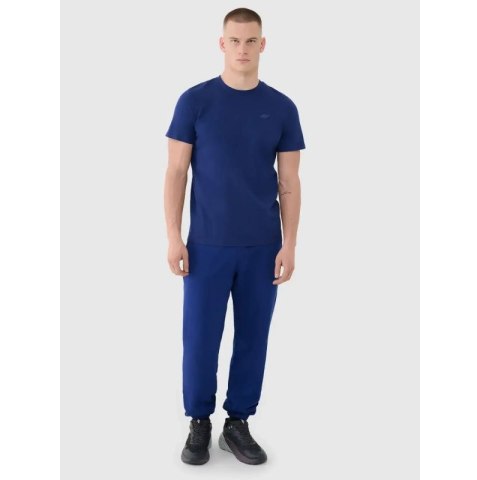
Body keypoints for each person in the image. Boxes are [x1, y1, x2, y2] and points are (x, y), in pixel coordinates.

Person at [164, 7, 306, 466]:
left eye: (250, 41)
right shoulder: (195, 102)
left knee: (253, 338)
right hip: (206, 246)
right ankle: (199, 422)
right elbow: (176, 172)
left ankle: (237, 422)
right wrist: (173, 236)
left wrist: (289, 243)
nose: (242, 49)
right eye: (234, 41)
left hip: (262, 247)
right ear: (221, 44)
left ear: (262, 45)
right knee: (200, 339)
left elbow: (289, 181)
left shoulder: (282, 108)